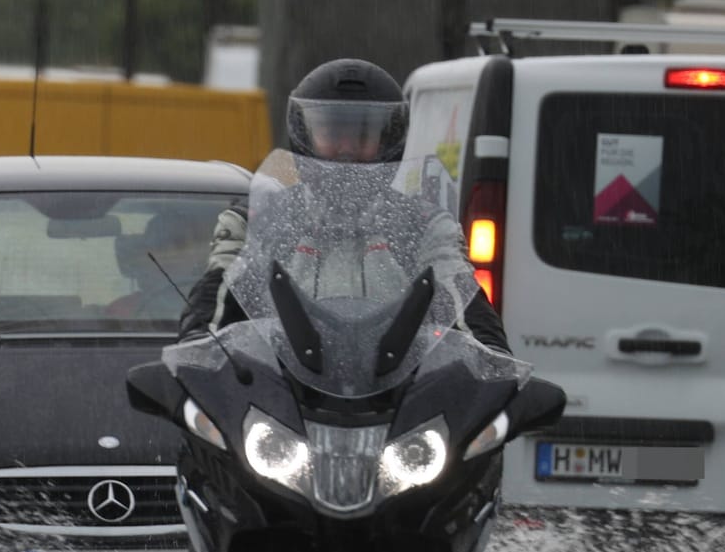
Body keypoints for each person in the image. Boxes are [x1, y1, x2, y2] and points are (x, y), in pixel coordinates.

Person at [177, 58, 510, 355]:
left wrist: (494, 355)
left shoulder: (424, 224)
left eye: (363, 134)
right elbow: (220, 287)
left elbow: (460, 291)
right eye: (332, 132)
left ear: (390, 139)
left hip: (398, 402)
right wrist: (195, 346)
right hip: (279, 399)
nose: (346, 149)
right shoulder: (256, 220)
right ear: (304, 133)